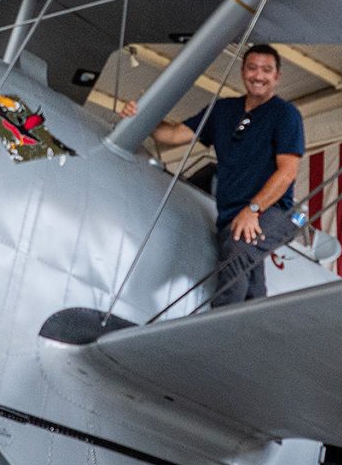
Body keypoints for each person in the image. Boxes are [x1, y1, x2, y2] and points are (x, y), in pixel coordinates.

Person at [127, 43, 306, 307]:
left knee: (238, 247)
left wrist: (253, 210)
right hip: (231, 216)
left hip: (274, 212)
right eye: (252, 68)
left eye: (267, 70)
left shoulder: (285, 114)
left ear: (277, 77)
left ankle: (221, 324)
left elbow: (288, 171)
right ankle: (256, 326)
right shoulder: (223, 110)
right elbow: (173, 135)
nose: (258, 75)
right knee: (251, 280)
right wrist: (143, 113)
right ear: (243, 72)